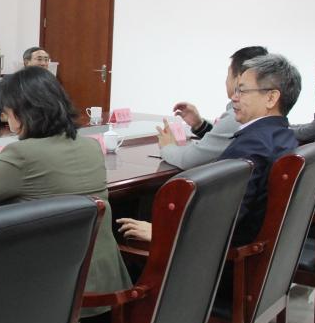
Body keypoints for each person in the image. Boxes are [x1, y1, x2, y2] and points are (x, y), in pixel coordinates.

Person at [0, 67, 131, 316]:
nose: (7, 120)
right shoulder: (90, 146)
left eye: (7, 113)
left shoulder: (22, 154)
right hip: (109, 291)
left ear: (21, 113)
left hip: (56, 302)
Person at [120, 53, 301, 246]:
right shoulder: (282, 135)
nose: (234, 98)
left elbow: (222, 217)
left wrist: (165, 231)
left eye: (242, 91)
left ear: (271, 98)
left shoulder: (252, 145)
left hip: (220, 253)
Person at [156, 46, 268, 169]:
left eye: (228, 74)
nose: (226, 81)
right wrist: (200, 125)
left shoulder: (239, 115)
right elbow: (227, 142)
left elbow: (188, 160)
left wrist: (167, 146)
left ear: (239, 79)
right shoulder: (266, 109)